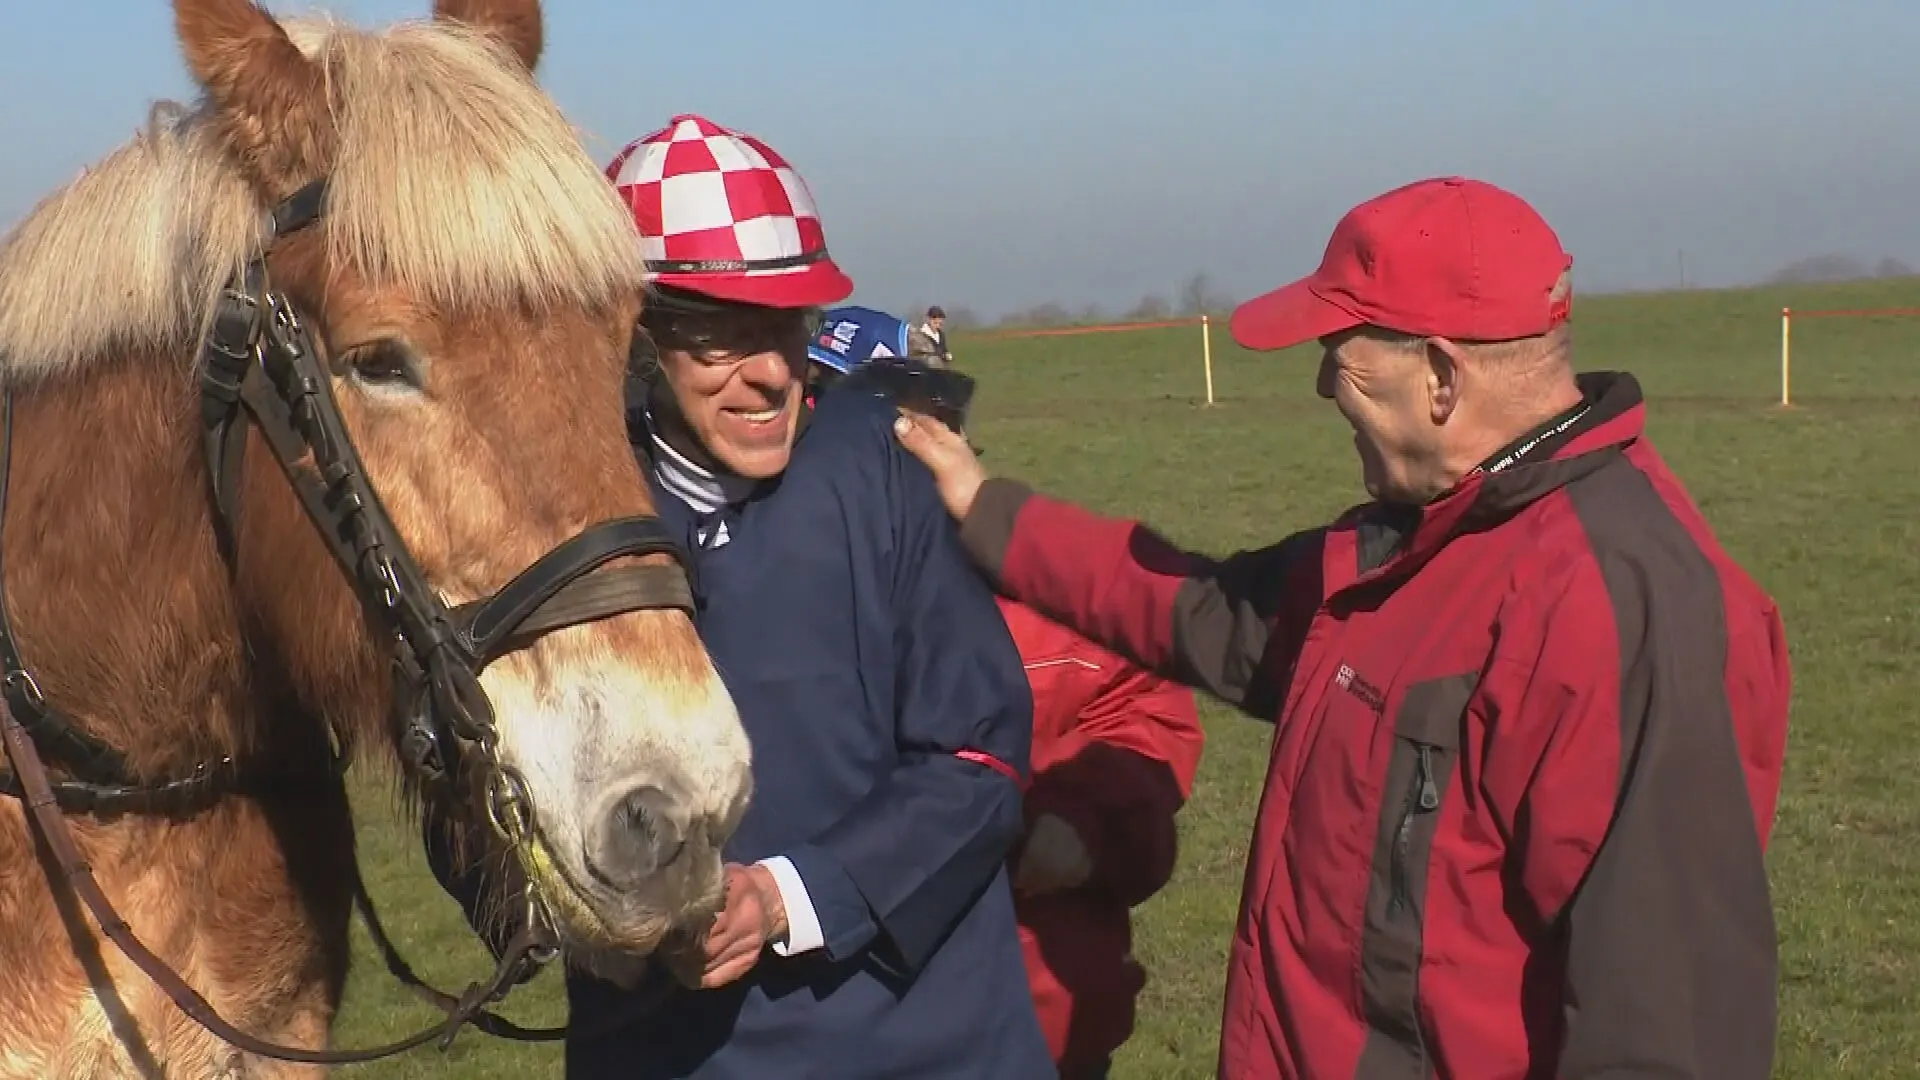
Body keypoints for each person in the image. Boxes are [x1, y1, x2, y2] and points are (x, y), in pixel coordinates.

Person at [893, 176, 1792, 1079]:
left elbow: (1671, 1027)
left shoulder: (1623, 611)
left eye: (1344, 354)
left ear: (1442, 374)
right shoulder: (1407, 546)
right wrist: (985, 511)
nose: (1325, 385)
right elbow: (1198, 607)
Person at [431, 113, 1054, 1080]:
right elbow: (461, 807)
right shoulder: (530, 517)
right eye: (722, 341)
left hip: (929, 1044)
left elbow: (980, 755)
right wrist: (608, 923)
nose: (772, 376)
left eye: (789, 329)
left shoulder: (884, 472)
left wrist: (788, 895)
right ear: (632, 343)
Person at [808, 308, 1208, 1079]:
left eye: (921, 424)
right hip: (826, 1027)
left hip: (1031, 1028)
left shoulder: (1041, 600)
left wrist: (1084, 821)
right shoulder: (750, 596)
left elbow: (1142, 724)